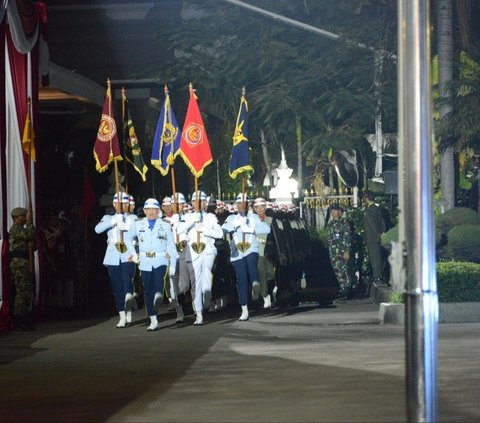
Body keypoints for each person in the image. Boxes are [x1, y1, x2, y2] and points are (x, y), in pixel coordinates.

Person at [130, 198, 178, 331]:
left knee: (159, 281)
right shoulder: (138, 224)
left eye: (154, 210)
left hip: (160, 259)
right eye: (148, 209)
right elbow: (128, 238)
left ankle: (159, 296)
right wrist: (133, 254)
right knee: (148, 290)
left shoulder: (165, 224)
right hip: (145, 261)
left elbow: (171, 246)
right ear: (144, 211)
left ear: (158, 211)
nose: (151, 212)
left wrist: (173, 264)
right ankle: (153, 318)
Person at [176, 191, 223, 326]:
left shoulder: (210, 217)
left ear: (205, 203)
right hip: (193, 251)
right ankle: (199, 313)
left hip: (208, 250)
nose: (199, 204)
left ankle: (207, 294)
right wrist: (192, 220)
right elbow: (179, 230)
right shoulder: (188, 217)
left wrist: (204, 230)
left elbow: (219, 234)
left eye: (202, 201)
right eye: (196, 201)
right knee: (196, 283)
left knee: (206, 279)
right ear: (192, 203)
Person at [222, 193, 271, 321]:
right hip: (237, 252)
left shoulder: (254, 217)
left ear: (248, 205)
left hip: (251, 248)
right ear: (237, 205)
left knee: (251, 266)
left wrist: (251, 229)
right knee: (241, 279)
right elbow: (223, 230)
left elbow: (266, 229)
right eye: (239, 204)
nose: (241, 206)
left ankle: (255, 284)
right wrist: (235, 225)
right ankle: (244, 309)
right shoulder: (231, 218)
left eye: (244, 204)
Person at [94, 192, 137, 328]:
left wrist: (127, 226)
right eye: (118, 203)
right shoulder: (107, 218)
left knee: (127, 283)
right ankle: (122, 315)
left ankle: (129, 310)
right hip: (113, 257)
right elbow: (97, 229)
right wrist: (114, 221)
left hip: (128, 255)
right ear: (114, 204)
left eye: (124, 204)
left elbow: (139, 234)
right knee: (117, 286)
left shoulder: (133, 218)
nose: (121, 206)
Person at [8, 207, 37, 330]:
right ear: (17, 218)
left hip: (23, 262)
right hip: (19, 264)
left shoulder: (21, 230)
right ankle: (19, 320)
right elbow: (29, 234)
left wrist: (32, 244)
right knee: (22, 292)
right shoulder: (15, 229)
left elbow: (32, 241)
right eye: (23, 216)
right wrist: (30, 222)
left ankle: (24, 317)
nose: (26, 218)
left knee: (26, 291)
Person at [253, 197, 275, 309]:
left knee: (271, 274)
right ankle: (265, 297)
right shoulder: (252, 220)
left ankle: (271, 292)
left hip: (269, 252)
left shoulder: (270, 220)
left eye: (262, 207)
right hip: (258, 251)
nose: (260, 209)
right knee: (262, 275)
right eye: (257, 207)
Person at [327, 204, 352, 300]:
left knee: (344, 270)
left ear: (339, 212)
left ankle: (347, 288)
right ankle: (342, 288)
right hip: (333, 252)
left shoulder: (344, 223)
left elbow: (347, 238)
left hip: (341, 251)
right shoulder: (330, 224)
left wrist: (347, 251)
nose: (333, 213)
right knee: (337, 270)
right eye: (331, 211)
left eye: (335, 210)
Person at [363, 190, 387, 285]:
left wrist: (378, 234)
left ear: (366, 198)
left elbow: (373, 225)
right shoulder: (377, 209)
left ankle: (377, 278)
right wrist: (382, 234)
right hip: (379, 237)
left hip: (372, 238)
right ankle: (379, 277)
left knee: (374, 258)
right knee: (378, 257)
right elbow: (382, 224)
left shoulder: (369, 211)